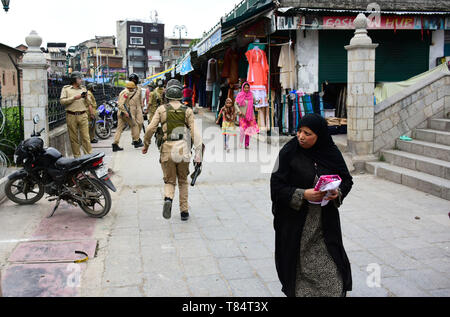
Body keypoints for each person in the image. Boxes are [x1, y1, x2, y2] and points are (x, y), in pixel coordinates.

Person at [270, 114, 354, 297]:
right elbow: (276, 186)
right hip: (297, 228)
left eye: (307, 133)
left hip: (324, 226)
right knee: (299, 276)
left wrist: (336, 192)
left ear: (319, 135)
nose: (300, 136)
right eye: (299, 131)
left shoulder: (330, 152)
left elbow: (347, 180)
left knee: (333, 275)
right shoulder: (288, 152)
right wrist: (302, 194)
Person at [142, 79, 203, 222]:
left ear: (167, 96)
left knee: (169, 181)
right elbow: (196, 134)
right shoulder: (187, 111)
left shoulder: (161, 109)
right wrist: (198, 154)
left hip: (167, 150)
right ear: (181, 96)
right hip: (183, 150)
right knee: (183, 181)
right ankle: (184, 211)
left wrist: (146, 145)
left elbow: (150, 128)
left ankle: (168, 198)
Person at [60, 72, 92, 158]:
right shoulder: (66, 89)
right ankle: (77, 157)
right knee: (74, 139)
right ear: (74, 79)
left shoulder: (84, 89)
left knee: (86, 137)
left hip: (83, 115)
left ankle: (88, 157)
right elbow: (62, 101)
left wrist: (86, 98)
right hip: (71, 115)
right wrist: (74, 98)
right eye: (79, 78)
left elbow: (89, 103)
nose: (81, 80)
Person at [112, 81, 143, 152]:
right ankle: (136, 140)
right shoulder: (126, 93)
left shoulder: (123, 91)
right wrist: (126, 112)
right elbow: (121, 104)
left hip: (120, 113)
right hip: (124, 113)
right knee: (134, 125)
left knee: (119, 129)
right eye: (133, 88)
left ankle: (115, 144)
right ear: (131, 88)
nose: (133, 89)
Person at [234, 82, 260, 149]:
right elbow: (235, 104)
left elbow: (255, 102)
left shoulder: (251, 94)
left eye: (248, 87)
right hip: (242, 115)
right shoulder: (240, 95)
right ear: (243, 88)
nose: (246, 89)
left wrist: (258, 101)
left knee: (248, 131)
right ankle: (240, 142)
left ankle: (246, 145)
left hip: (250, 116)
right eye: (245, 87)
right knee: (242, 130)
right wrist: (239, 111)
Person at [128, 73, 145, 146]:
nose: (133, 81)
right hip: (131, 107)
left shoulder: (139, 88)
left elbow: (140, 98)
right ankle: (135, 139)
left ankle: (136, 137)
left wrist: (142, 107)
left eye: (134, 79)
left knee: (140, 123)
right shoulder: (127, 88)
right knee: (133, 124)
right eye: (132, 80)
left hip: (138, 107)